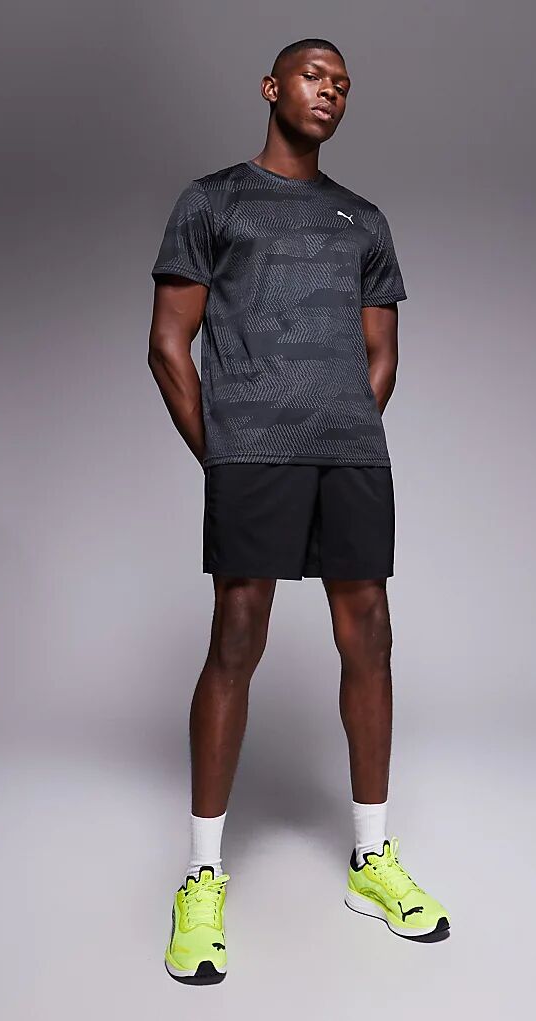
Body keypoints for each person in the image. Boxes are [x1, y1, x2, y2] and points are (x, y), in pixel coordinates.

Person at [149, 37, 450, 985]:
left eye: (345, 86)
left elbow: (382, 354)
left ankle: (371, 857)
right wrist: (225, 452)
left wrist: (342, 423)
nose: (332, 93)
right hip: (250, 454)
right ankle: (202, 876)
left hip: (351, 455)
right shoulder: (213, 201)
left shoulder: (364, 218)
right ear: (272, 87)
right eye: (316, 78)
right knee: (237, 635)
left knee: (372, 635)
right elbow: (167, 343)